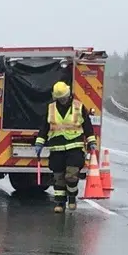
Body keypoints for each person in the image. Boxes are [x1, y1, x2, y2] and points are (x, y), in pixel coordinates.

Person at [34, 81, 97, 213]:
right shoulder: (50, 108)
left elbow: (87, 126)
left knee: (71, 176)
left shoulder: (78, 107)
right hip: (57, 149)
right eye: (60, 98)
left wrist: (91, 141)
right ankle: (60, 203)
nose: (63, 100)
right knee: (59, 178)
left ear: (68, 95)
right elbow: (44, 127)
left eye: (64, 97)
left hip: (75, 147)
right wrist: (40, 142)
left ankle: (72, 197)